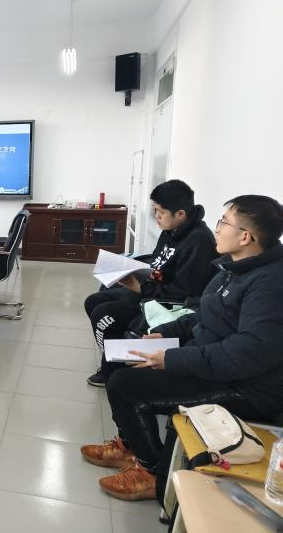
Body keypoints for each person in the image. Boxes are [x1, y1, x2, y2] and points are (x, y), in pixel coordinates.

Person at [80, 195, 283, 502]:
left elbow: (245, 355)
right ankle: (128, 445)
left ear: (245, 237)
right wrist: (164, 333)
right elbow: (202, 314)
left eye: (224, 222)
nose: (217, 228)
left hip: (245, 387)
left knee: (125, 385)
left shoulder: (270, 285)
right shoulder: (233, 267)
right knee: (121, 359)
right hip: (210, 358)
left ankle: (151, 472)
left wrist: (172, 358)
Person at [84, 180, 218, 387]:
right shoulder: (170, 230)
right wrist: (134, 271)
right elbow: (158, 265)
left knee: (104, 315)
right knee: (93, 301)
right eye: (155, 210)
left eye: (160, 212)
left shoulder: (199, 241)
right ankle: (113, 358)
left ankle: (113, 369)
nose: (156, 217)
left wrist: (140, 287)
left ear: (180, 213)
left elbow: (183, 291)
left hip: (169, 302)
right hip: (153, 290)